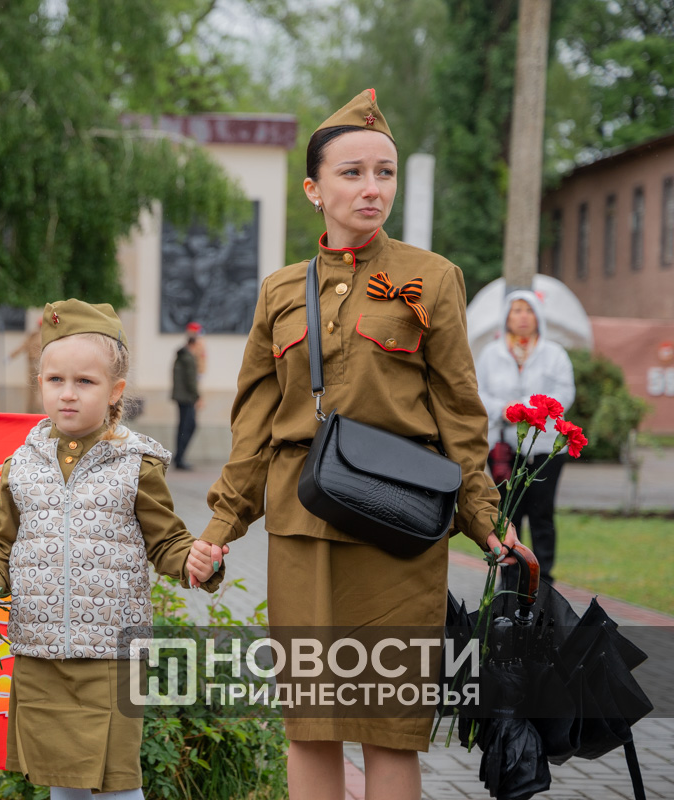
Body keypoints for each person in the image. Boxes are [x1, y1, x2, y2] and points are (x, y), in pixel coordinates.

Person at [198, 90, 518, 800]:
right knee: (310, 725)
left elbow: (459, 411)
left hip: (399, 528)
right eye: (352, 173)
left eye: (385, 172)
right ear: (313, 190)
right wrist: (221, 528)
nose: (373, 188)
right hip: (302, 528)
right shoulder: (281, 291)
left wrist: (486, 518)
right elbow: (254, 424)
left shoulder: (432, 278)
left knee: (388, 727)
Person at [0, 299, 227, 800]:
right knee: (61, 783)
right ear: (40, 383)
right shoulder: (19, 465)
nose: (68, 394)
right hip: (40, 651)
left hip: (111, 656)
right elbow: (0, 544)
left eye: (85, 382)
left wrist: (196, 562)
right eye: (55, 380)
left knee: (116, 785)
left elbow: (166, 541)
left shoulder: (136, 463)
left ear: (115, 391)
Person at [475, 290, 575, 583]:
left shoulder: (554, 353)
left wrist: (531, 411)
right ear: (506, 316)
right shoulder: (491, 354)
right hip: (505, 448)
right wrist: (504, 409)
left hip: (545, 446)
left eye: (528, 310)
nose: (522, 317)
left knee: (542, 514)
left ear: (538, 316)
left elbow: (565, 392)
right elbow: (477, 392)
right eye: (516, 310)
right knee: (508, 512)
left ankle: (543, 581)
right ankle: (508, 577)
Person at [171, 321, 204, 469]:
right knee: (188, 426)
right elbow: (191, 380)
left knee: (184, 426)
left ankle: (179, 457)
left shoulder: (182, 355)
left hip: (182, 396)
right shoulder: (188, 357)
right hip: (187, 397)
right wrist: (198, 396)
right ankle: (180, 458)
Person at [10, 317, 45, 414]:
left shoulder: (34, 335)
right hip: (38, 364)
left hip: (34, 363)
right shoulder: (43, 336)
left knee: (34, 389)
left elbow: (23, 346)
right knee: (37, 389)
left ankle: (33, 411)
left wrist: (11, 356)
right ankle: (36, 412)